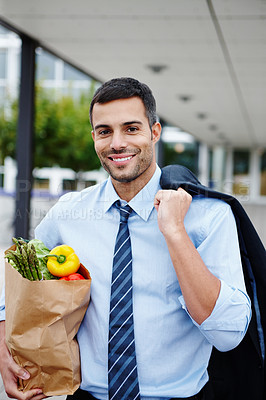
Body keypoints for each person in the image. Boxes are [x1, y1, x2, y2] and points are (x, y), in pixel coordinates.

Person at [0, 77, 251, 400]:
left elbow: (228, 334)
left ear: (155, 132)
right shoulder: (68, 214)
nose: (117, 143)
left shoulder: (209, 216)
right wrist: (4, 342)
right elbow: (16, 279)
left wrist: (175, 234)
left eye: (131, 128)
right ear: (94, 138)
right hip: (87, 395)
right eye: (104, 131)